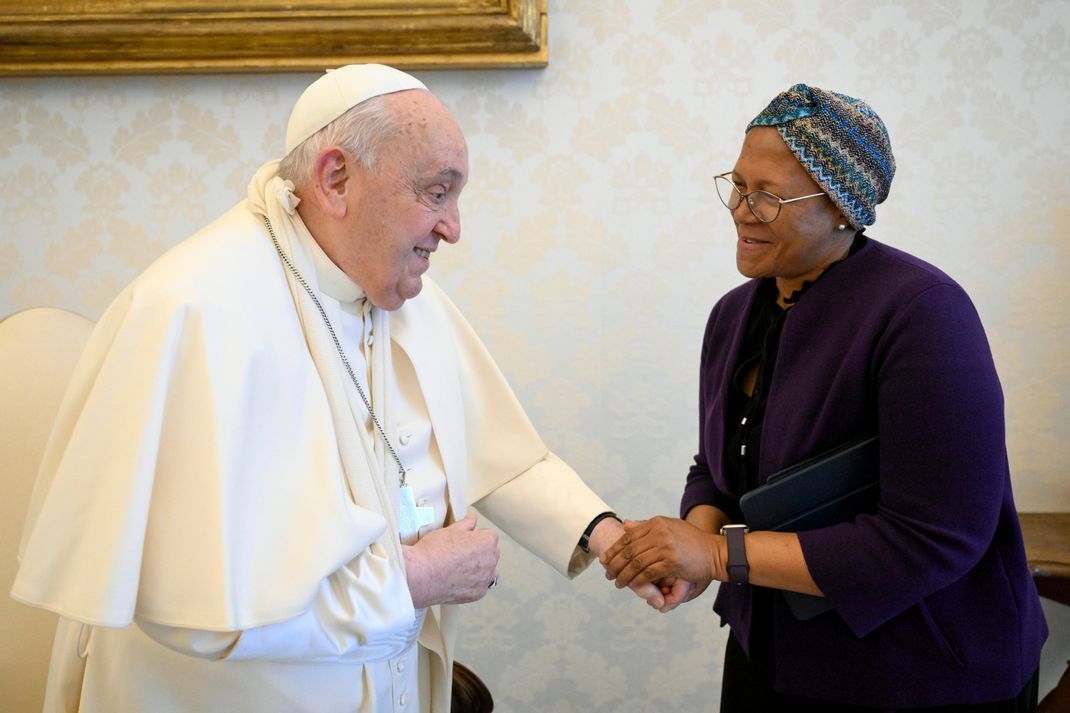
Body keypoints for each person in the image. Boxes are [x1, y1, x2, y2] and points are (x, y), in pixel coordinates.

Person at [11, 64, 659, 713]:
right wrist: (418, 576)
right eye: (437, 192)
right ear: (335, 179)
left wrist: (608, 536)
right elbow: (198, 608)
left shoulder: (397, 289)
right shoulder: (195, 309)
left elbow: (502, 450)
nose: (454, 227)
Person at [601, 84, 1048, 712]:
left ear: (843, 205)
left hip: (919, 673)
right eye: (736, 183)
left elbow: (936, 537)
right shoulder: (735, 315)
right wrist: (690, 545)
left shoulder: (923, 313)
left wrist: (717, 553)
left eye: (768, 195)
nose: (740, 209)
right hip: (774, 659)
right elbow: (721, 468)